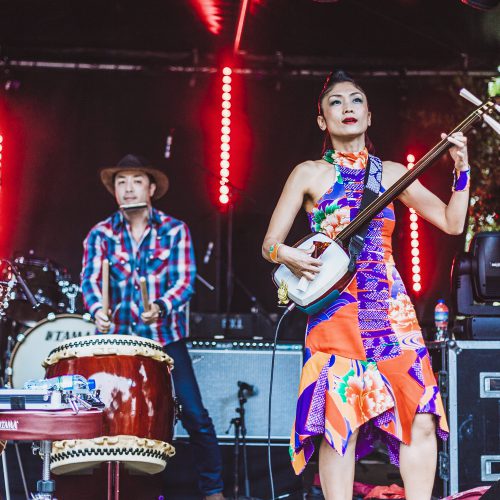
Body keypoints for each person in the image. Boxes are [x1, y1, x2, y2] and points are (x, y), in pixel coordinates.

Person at [262, 71, 470, 500]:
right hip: (335, 309)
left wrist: (462, 170)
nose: (348, 108)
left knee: (421, 414)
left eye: (357, 100)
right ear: (322, 120)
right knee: (341, 419)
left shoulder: (393, 172)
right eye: (336, 102)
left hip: (391, 309)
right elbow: (269, 244)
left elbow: (452, 222)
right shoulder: (309, 173)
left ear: (370, 115)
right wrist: (288, 255)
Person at [81, 154, 225, 500]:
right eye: (121, 182)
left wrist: (160, 306)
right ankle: (118, 489)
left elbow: (185, 281)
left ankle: (214, 489)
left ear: (152, 187)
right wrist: (98, 309)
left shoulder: (174, 230)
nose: (128, 188)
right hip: (118, 343)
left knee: (193, 413)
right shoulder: (100, 234)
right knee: (113, 417)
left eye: (136, 181)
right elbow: (89, 280)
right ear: (114, 190)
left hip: (164, 339)